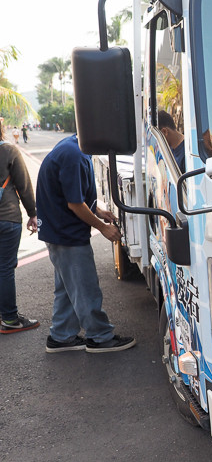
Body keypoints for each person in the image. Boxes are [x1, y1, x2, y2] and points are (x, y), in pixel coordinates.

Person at [36, 134, 136, 353]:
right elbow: (74, 204)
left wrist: (97, 210)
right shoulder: (75, 156)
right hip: (67, 234)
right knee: (85, 288)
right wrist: (103, 228)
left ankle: (61, 336)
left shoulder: (73, 147)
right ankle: (100, 336)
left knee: (67, 289)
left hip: (57, 231)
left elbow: (72, 194)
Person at [0, 125, 40, 333]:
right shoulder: (8, 150)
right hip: (6, 217)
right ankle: (9, 319)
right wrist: (32, 213)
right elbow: (23, 185)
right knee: (5, 269)